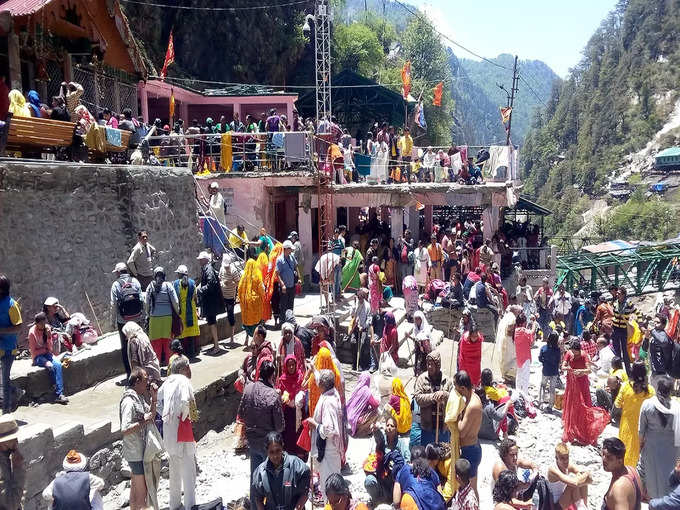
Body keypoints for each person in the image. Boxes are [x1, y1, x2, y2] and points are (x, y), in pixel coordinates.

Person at [238, 360, 285, 505]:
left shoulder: (248, 389)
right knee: (271, 478)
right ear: (272, 377)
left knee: (255, 477)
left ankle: (254, 506)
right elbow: (280, 426)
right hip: (268, 445)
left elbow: (241, 414)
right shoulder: (273, 395)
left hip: (252, 442)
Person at [157, 356, 197, 510]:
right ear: (182, 369)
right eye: (187, 368)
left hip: (169, 433)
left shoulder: (165, 383)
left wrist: (170, 418)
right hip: (183, 432)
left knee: (174, 471)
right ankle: (190, 505)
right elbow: (188, 401)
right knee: (189, 470)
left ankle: (174, 504)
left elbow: (158, 405)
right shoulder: (184, 381)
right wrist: (185, 417)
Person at [120, 368, 158, 510]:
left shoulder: (139, 397)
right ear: (137, 381)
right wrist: (143, 422)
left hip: (140, 450)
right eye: (145, 380)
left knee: (135, 489)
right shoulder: (129, 401)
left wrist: (154, 398)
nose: (147, 383)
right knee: (142, 493)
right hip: (135, 451)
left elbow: (151, 416)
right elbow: (125, 428)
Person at [638, 375, 680, 499]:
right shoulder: (677, 407)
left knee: (653, 480)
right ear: (671, 390)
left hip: (651, 450)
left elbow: (641, 431)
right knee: (669, 481)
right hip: (672, 451)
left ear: (657, 389)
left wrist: (641, 448)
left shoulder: (647, 404)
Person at [308, 369, 345, 502]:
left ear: (322, 385)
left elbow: (330, 430)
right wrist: (313, 368)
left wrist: (315, 425)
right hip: (329, 451)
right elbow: (320, 379)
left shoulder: (328, 402)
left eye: (319, 382)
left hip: (328, 452)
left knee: (329, 487)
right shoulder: (332, 392)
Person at [251, 432, 310, 510]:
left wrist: (297, 508)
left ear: (282, 447)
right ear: (266, 451)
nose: (275, 456)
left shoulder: (296, 465)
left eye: (278, 450)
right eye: (271, 452)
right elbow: (258, 498)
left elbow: (305, 492)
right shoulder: (260, 473)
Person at [614, 360, 655, 468]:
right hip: (643, 429)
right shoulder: (650, 391)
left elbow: (617, 405)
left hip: (626, 427)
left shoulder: (625, 387)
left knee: (625, 453)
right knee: (639, 457)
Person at [363, 415, 410, 505]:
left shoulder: (401, 444)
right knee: (369, 480)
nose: (389, 428)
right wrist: (376, 430)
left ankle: (395, 502)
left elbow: (407, 460)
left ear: (396, 429)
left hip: (395, 483)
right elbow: (379, 438)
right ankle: (378, 501)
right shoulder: (382, 442)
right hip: (382, 480)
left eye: (392, 426)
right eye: (387, 425)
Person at [27, 313, 68, 404]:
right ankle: (57, 391)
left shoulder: (47, 329)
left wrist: (49, 336)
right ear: (36, 323)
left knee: (57, 364)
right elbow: (33, 351)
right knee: (50, 365)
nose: (43, 325)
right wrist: (44, 350)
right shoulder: (32, 333)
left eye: (44, 323)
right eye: (41, 323)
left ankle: (60, 394)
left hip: (47, 353)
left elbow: (50, 348)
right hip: (38, 357)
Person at [414, 351, 453, 446]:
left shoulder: (447, 381)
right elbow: (418, 398)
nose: (429, 367)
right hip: (427, 426)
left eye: (432, 364)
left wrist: (444, 394)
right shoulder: (421, 379)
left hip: (443, 427)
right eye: (428, 364)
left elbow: (453, 400)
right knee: (428, 455)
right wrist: (433, 397)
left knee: (443, 454)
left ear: (438, 365)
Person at [455, 371, 483, 500]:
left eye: (457, 389)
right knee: (468, 488)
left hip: (471, 450)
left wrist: (458, 415)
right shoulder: (472, 397)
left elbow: (462, 432)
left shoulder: (472, 406)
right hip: (471, 448)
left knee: (471, 489)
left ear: (463, 388)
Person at [145, 267, 180, 366]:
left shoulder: (150, 286)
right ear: (164, 275)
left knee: (155, 345)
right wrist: (177, 313)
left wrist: (149, 314)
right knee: (168, 343)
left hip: (154, 319)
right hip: (167, 319)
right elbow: (175, 302)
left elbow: (146, 302)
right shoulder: (168, 286)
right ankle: (170, 367)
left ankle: (157, 368)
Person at [0, 275, 22, 414]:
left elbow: (18, 327)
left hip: (8, 349)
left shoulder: (11, 305)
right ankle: (18, 391)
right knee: (4, 380)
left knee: (4, 379)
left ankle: (6, 412)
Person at [276, 354, 306, 457]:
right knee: (288, 434)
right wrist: (284, 399)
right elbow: (278, 394)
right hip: (287, 412)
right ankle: (288, 453)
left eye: (293, 365)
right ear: (285, 366)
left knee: (299, 432)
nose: (291, 367)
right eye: (289, 365)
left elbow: (305, 390)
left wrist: (298, 399)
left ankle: (300, 453)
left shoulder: (301, 377)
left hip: (299, 412)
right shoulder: (282, 380)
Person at [546, 442, 591, 510]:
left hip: (566, 497)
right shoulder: (552, 470)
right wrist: (587, 474)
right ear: (556, 458)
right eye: (562, 458)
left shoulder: (568, 465)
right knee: (572, 484)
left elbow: (580, 473)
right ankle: (580, 506)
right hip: (557, 505)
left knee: (582, 481)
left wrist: (584, 476)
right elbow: (574, 483)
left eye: (567, 458)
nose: (565, 461)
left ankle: (584, 506)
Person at [601, 437, 642, 510]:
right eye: (603, 454)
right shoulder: (631, 470)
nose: (604, 459)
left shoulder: (619, 488)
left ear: (620, 461)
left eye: (609, 457)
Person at [197, 251, 225, 353]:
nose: (199, 261)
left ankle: (216, 346)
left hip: (211, 302)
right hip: (211, 302)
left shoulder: (208, 269)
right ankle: (216, 344)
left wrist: (200, 290)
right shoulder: (207, 269)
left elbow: (211, 284)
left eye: (201, 259)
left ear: (205, 259)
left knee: (212, 323)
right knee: (212, 322)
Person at [172, 265, 200, 359]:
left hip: (181, 310)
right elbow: (195, 297)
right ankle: (191, 353)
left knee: (181, 332)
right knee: (190, 333)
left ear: (179, 274)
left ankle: (181, 354)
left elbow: (175, 298)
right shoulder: (192, 283)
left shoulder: (175, 284)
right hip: (191, 310)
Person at [239, 259, 266, 349]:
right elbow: (261, 288)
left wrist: (243, 299)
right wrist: (263, 297)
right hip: (255, 304)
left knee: (247, 322)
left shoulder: (244, 276)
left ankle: (246, 339)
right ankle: (254, 340)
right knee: (255, 322)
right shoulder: (257, 275)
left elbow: (239, 289)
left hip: (246, 304)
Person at [0, 414, 25, 510]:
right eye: (13, 439)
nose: (17, 441)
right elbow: (11, 505)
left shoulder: (5, 455)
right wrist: (19, 468)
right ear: (2, 442)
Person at [346, 372, 380, 438]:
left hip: (349, 416)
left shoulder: (357, 388)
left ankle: (357, 428)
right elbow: (375, 405)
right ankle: (363, 431)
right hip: (356, 418)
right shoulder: (366, 391)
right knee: (376, 412)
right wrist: (378, 401)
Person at [513, 313, 537, 402]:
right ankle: (525, 396)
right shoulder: (523, 331)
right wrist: (534, 322)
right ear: (523, 322)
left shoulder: (516, 330)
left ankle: (518, 393)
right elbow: (532, 332)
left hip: (519, 356)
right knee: (525, 378)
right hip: (525, 356)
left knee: (519, 376)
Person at [349, 289, 375, 371]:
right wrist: (354, 307)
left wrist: (363, 326)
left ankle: (360, 364)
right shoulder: (355, 304)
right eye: (358, 298)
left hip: (363, 328)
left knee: (362, 344)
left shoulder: (367, 306)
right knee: (353, 342)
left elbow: (369, 319)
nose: (360, 300)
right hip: (355, 327)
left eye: (361, 298)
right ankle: (354, 363)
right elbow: (352, 315)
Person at [612, 287, 635, 376]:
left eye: (619, 294)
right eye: (617, 293)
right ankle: (619, 371)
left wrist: (640, 323)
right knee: (617, 350)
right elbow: (614, 315)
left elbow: (636, 312)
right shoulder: (615, 304)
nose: (617, 295)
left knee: (625, 351)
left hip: (624, 329)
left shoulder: (629, 304)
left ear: (624, 295)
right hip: (616, 329)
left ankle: (629, 372)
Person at [538, 331, 561, 411]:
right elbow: (558, 361)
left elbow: (540, 359)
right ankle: (550, 406)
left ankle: (540, 403)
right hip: (554, 372)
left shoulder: (544, 348)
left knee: (542, 386)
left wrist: (545, 361)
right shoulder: (557, 350)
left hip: (546, 370)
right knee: (552, 388)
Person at [649, 315, 673, 390]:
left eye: (658, 322)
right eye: (654, 322)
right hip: (655, 370)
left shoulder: (662, 334)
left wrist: (652, 331)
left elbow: (663, 342)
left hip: (661, 371)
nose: (655, 324)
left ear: (663, 325)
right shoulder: (655, 334)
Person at [277, 240, 298, 319]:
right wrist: (282, 285)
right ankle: (283, 322)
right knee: (283, 306)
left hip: (292, 286)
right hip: (284, 288)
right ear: (286, 249)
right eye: (290, 249)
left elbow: (296, 266)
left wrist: (298, 278)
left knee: (290, 306)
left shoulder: (292, 257)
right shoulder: (280, 260)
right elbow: (277, 274)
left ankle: (290, 321)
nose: (291, 251)